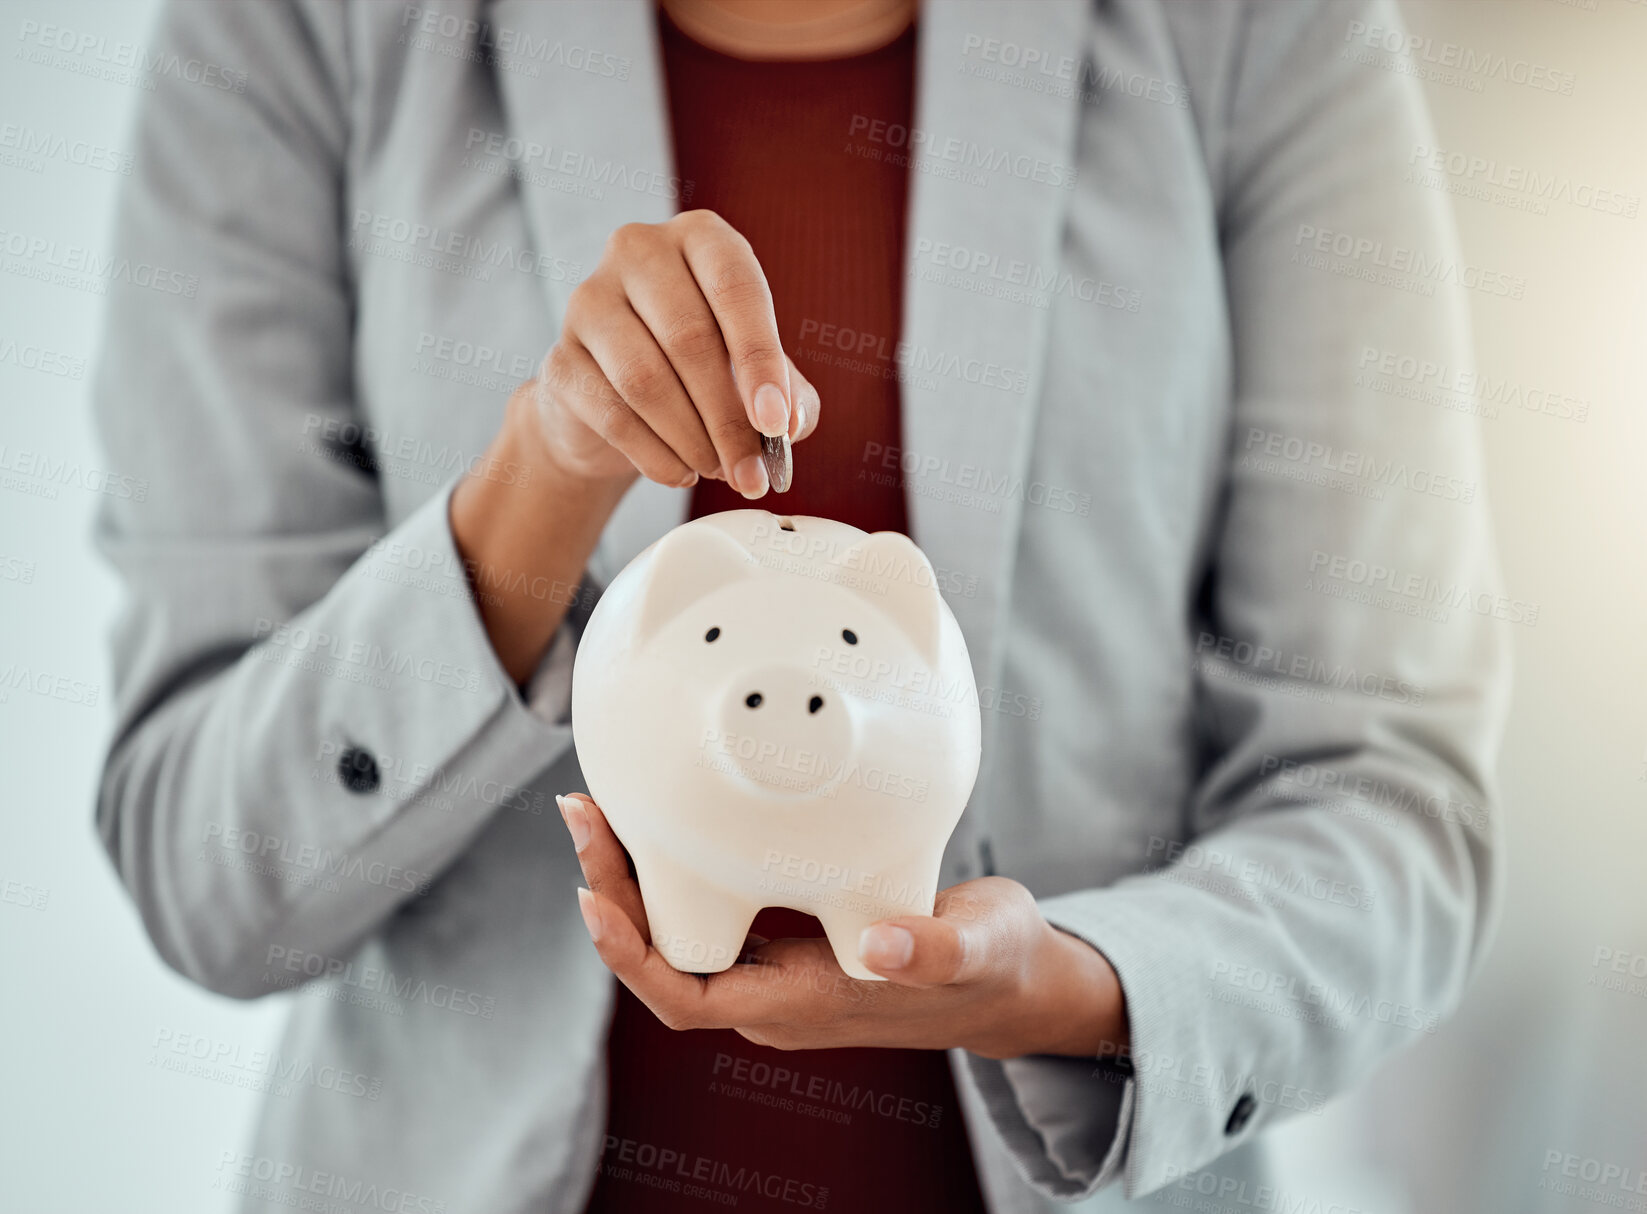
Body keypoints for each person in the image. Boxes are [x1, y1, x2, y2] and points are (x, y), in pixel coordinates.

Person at [91, 0, 1508, 1210]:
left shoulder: (1263, 31)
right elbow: (210, 880)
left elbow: (1385, 792)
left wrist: (1077, 987)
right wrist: (542, 480)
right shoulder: (297, 30)